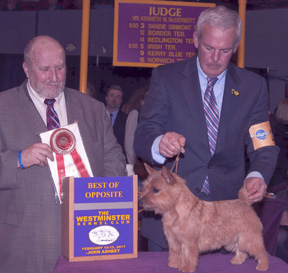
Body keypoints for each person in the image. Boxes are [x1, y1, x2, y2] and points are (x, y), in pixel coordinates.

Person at [134, 6, 279, 251]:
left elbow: (261, 143)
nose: (215, 58)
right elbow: (143, 133)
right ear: (195, 39)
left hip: (226, 222)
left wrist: (258, 175)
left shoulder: (253, 86)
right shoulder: (166, 77)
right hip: (172, 223)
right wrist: (159, 142)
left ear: (235, 47)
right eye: (209, 47)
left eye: (225, 51)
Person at [0, 35, 126, 273]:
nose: (54, 77)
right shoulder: (3, 107)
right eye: (45, 69)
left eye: (59, 68)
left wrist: (94, 191)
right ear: (27, 69)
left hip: (85, 238)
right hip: (23, 243)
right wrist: (17, 159)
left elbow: (114, 157)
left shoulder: (93, 109)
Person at [124, 85, 149, 179]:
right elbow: (129, 143)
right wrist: (133, 166)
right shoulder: (135, 114)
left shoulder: (155, 117)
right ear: (141, 101)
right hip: (138, 168)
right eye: (146, 97)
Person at [105, 85, 127, 157]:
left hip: (118, 158)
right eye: (112, 95)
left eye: (118, 97)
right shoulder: (97, 116)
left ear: (121, 101)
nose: (114, 98)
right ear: (106, 98)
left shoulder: (127, 119)